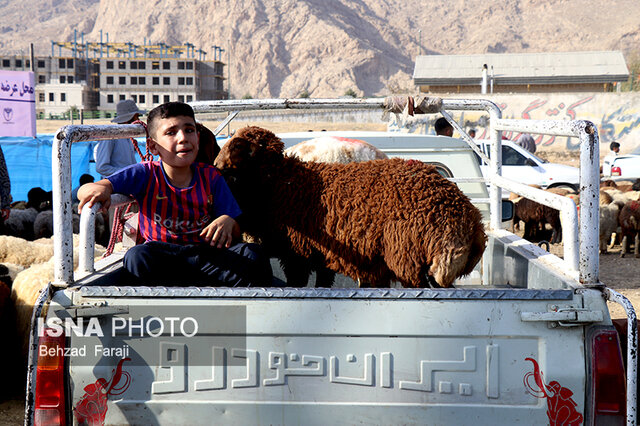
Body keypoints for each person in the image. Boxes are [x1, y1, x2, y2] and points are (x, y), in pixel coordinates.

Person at [78, 102, 272, 287]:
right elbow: (86, 189)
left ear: (197, 136)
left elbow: (234, 224)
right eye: (171, 132)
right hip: (163, 256)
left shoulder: (210, 176)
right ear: (153, 146)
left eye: (189, 130)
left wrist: (228, 221)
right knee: (137, 256)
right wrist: (102, 188)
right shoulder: (145, 173)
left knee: (252, 254)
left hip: (206, 256)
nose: (183, 138)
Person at [94, 99, 146, 178]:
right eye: (136, 117)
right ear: (128, 119)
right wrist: (128, 173)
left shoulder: (128, 137)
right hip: (116, 186)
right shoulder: (110, 137)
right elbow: (101, 168)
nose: (138, 120)